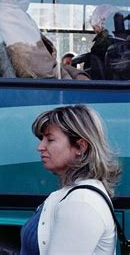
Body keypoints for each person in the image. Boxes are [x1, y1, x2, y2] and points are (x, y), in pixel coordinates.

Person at [21, 105, 120, 254]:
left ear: (80, 147)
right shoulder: (73, 194)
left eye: (50, 139)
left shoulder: (82, 202)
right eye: (42, 139)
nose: (40, 147)